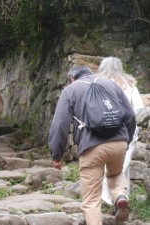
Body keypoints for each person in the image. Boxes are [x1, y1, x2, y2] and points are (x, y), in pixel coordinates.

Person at [48, 65, 136, 225]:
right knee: (115, 174)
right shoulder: (110, 84)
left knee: (91, 200)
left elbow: (60, 124)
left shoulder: (70, 90)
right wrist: (126, 141)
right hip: (119, 142)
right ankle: (120, 197)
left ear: (72, 78)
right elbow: (129, 114)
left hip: (92, 147)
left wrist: (57, 155)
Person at [97, 57, 144, 205]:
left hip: (103, 126)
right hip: (127, 128)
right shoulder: (129, 84)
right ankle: (122, 195)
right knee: (125, 162)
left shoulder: (97, 83)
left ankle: (109, 197)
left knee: (105, 161)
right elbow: (138, 108)